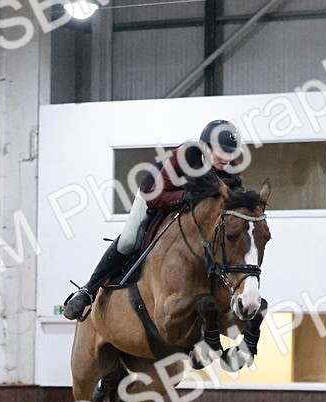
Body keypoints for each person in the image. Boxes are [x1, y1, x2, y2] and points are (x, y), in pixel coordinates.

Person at [61, 120, 244, 321]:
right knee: (129, 239)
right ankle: (88, 291)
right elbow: (156, 197)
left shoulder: (230, 167)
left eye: (231, 153)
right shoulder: (184, 156)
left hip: (189, 208)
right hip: (154, 195)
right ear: (205, 147)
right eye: (222, 152)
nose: (227, 158)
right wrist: (184, 197)